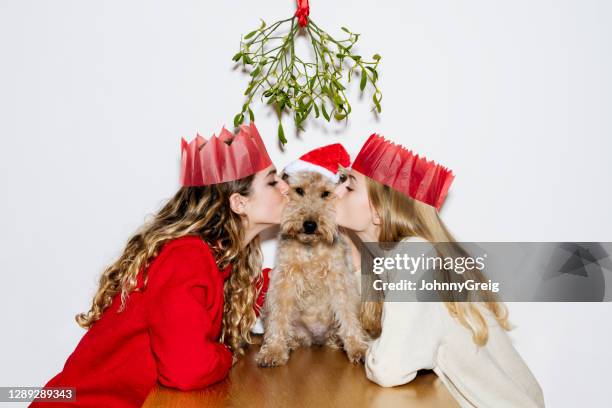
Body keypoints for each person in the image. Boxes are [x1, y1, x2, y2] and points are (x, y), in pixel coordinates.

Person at [30, 123, 289, 408]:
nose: (287, 188)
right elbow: (186, 371)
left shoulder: (219, 258)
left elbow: (260, 291)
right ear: (239, 203)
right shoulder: (186, 257)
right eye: (273, 181)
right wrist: (225, 353)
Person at [333, 133, 545, 408]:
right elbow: (366, 337)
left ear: (379, 211)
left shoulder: (415, 255)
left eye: (348, 187)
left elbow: (388, 368)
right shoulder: (386, 260)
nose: (335, 192)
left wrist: (374, 350)